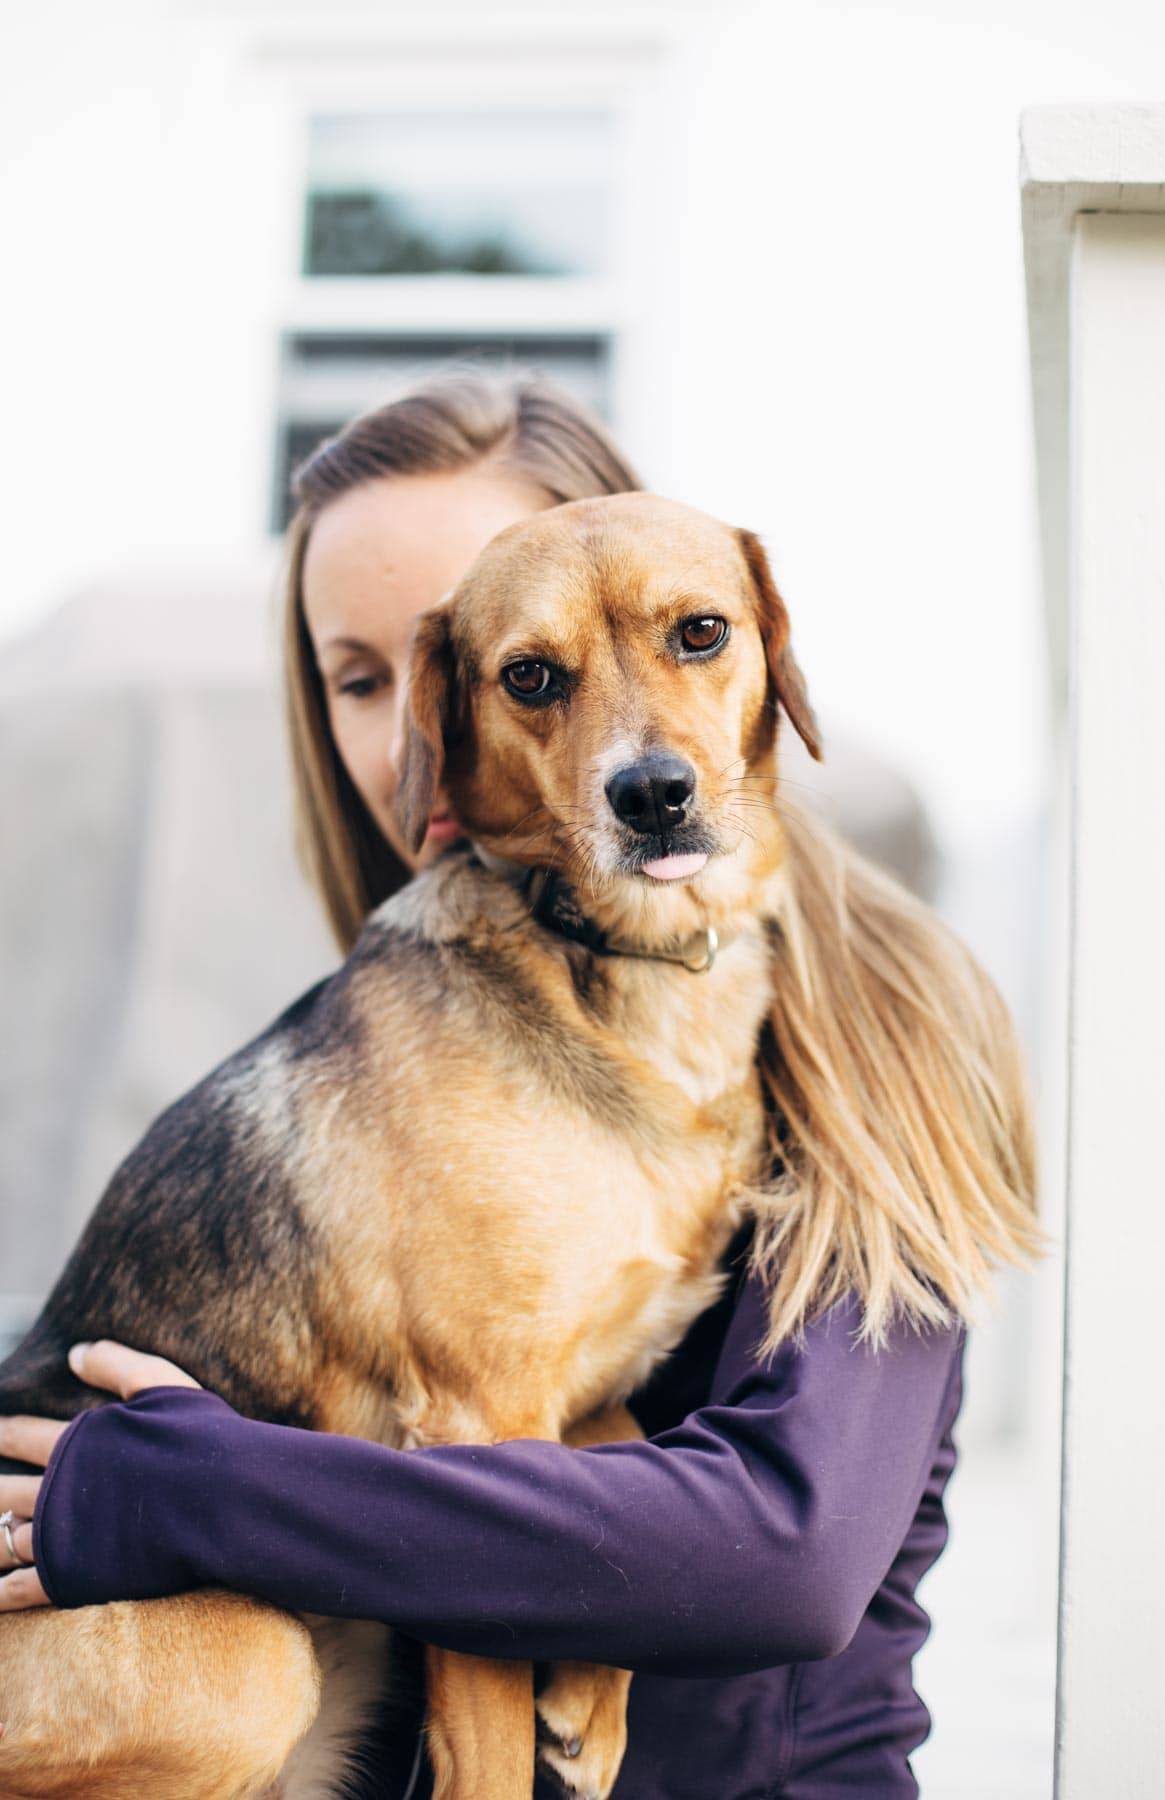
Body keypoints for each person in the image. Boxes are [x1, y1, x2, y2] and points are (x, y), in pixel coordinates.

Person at [0, 370, 1042, 1797]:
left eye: (689, 637)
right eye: (368, 679)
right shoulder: (405, 1029)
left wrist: (207, 1490)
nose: (413, 736)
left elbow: (785, 1554)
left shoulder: (886, 1024)